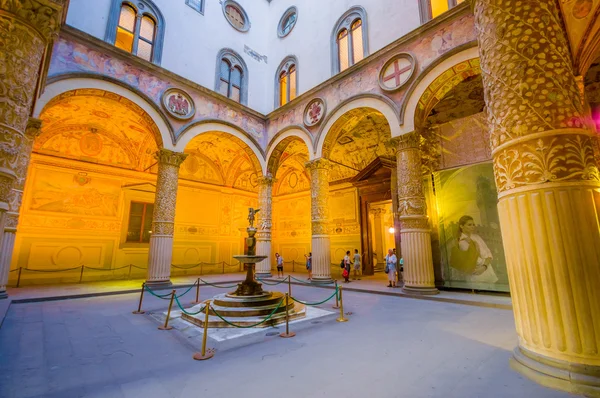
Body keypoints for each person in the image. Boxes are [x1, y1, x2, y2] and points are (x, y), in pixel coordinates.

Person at [456, 215, 498, 284]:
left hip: (486, 270)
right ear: (461, 226)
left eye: (473, 224)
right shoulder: (462, 242)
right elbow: (475, 260)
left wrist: (485, 266)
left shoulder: (477, 237)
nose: (472, 226)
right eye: (469, 225)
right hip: (477, 275)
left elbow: (488, 253)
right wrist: (485, 263)